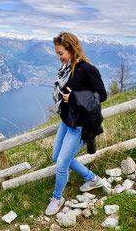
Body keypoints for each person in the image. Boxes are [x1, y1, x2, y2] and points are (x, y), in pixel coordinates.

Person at [45, 32, 107, 216]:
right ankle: (93, 179)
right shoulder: (66, 68)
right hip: (67, 121)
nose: (58, 57)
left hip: (80, 126)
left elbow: (102, 95)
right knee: (58, 157)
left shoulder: (88, 69)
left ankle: (57, 198)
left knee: (62, 163)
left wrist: (74, 96)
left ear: (72, 50)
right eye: (57, 53)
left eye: (61, 53)